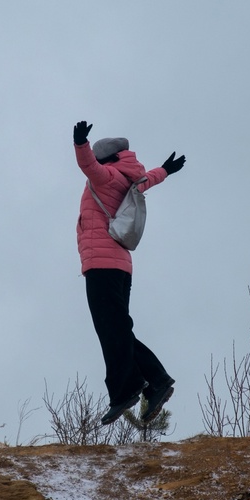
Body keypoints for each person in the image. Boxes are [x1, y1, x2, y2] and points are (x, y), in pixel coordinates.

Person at [73, 121, 186, 426]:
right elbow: (149, 179)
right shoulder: (128, 177)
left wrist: (80, 143)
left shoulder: (105, 176)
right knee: (118, 329)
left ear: (106, 159)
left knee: (111, 331)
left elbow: (88, 166)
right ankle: (154, 381)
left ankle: (128, 390)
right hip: (120, 266)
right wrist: (165, 169)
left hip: (101, 264)